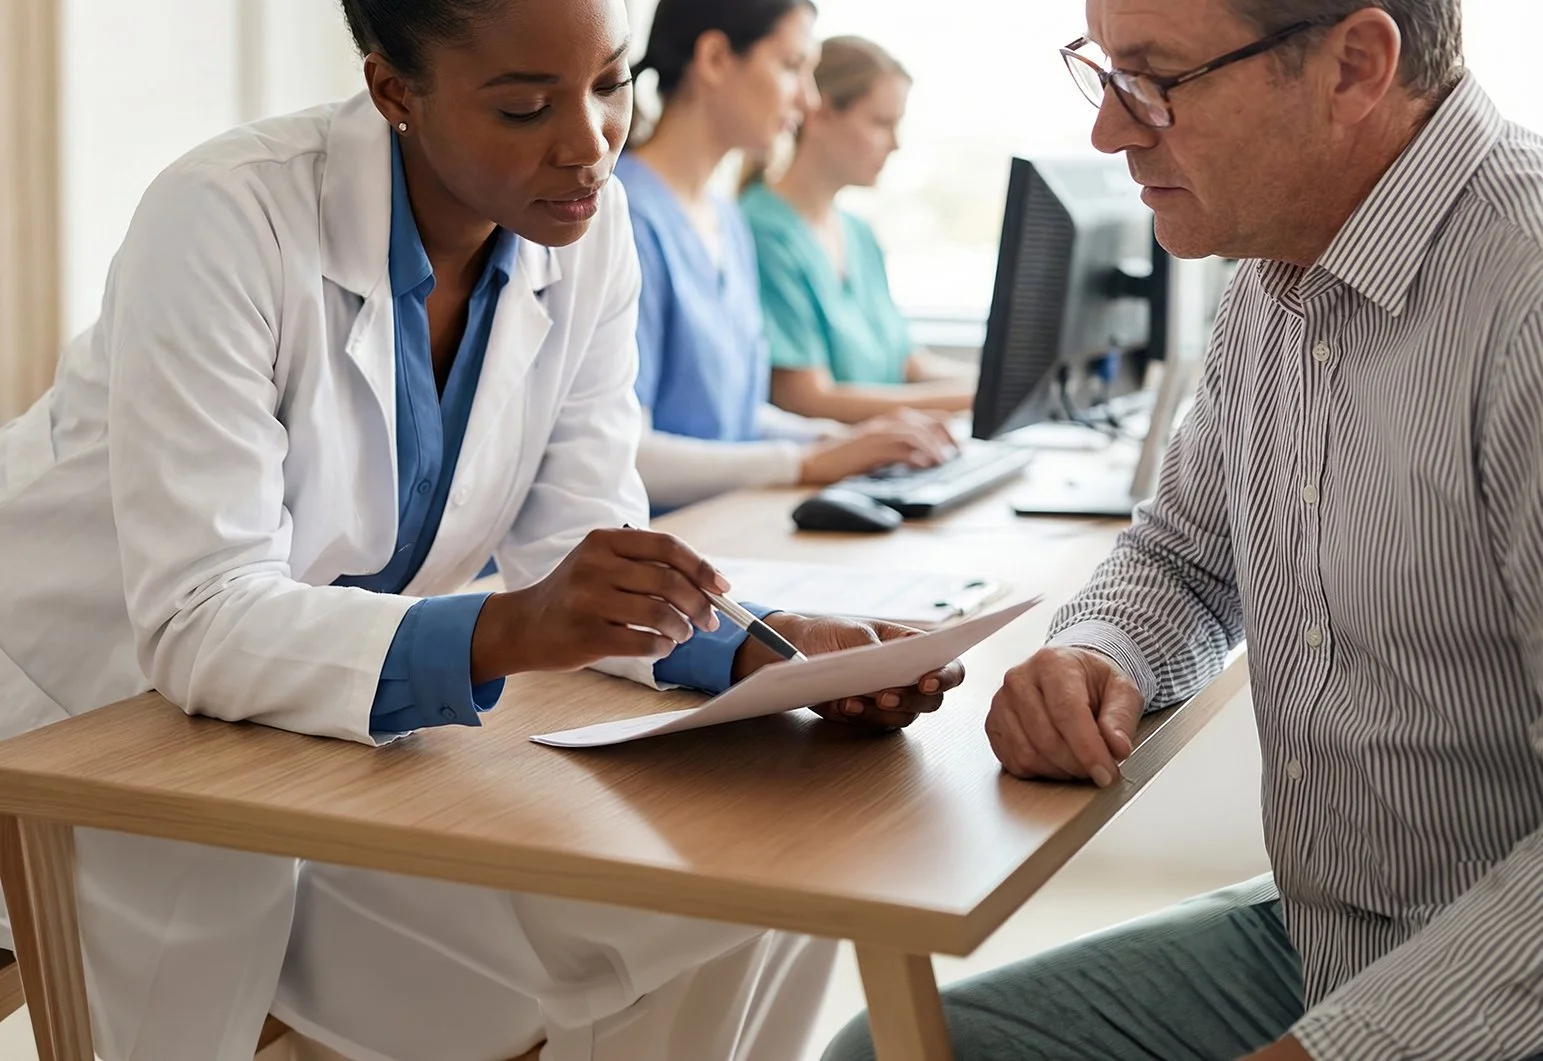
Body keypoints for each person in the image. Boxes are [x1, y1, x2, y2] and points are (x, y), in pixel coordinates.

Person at [0, 0, 968, 1058]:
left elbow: (582, 549)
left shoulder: (584, 238)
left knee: (732, 892)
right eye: (523, 107)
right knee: (205, 998)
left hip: (300, 719)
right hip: (80, 705)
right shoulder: (225, 217)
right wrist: (505, 629)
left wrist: (761, 644)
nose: (592, 146)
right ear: (393, 92)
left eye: (610, 83)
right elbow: (199, 615)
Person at [826, 0, 1543, 1059]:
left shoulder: (1520, 298)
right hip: (1329, 929)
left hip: (1487, 969)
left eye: (1153, 79)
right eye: (1103, 72)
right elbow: (1183, 553)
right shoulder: (1277, 262)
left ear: (1352, 65)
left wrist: (1337, 1049)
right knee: (888, 1048)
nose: (1108, 131)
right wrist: (1097, 651)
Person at [617, 0, 956, 513]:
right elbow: (624, 455)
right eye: (792, 67)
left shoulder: (725, 219)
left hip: (722, 524)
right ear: (713, 59)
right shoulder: (625, 216)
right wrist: (804, 462)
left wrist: (837, 440)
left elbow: (737, 417)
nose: (809, 99)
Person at [740, 36, 977, 423]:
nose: (896, 144)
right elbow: (808, 399)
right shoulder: (762, 230)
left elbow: (908, 363)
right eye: (882, 123)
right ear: (821, 111)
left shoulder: (859, 234)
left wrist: (996, 384)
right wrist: (970, 400)